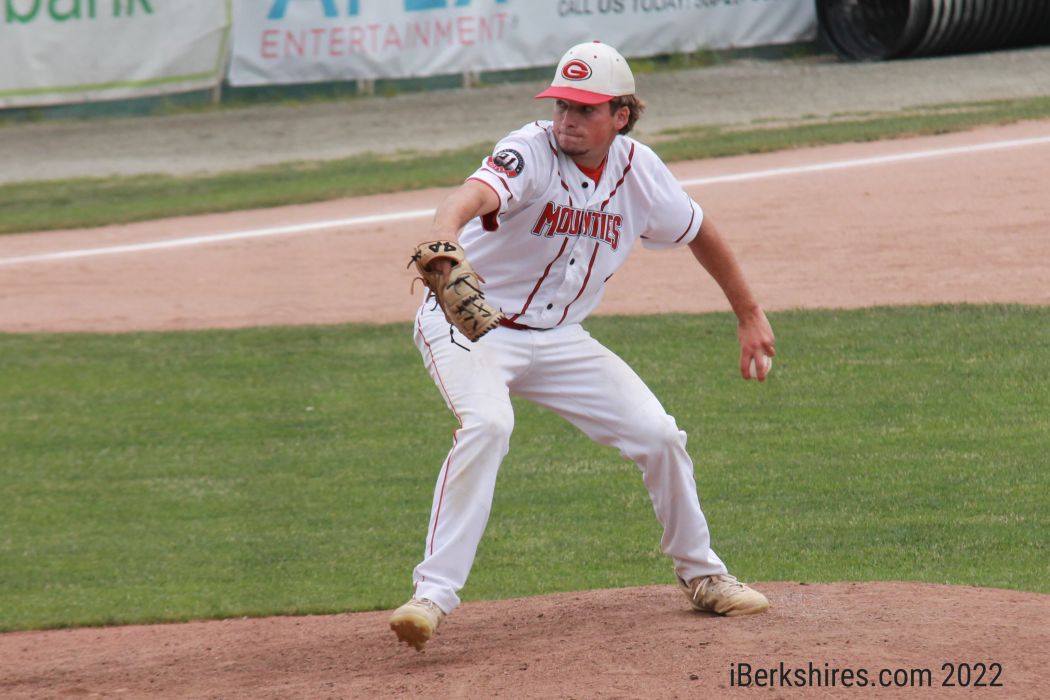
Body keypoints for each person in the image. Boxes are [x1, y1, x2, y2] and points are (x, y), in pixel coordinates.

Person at [390, 41, 776, 652]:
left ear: (620, 115)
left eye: (584, 108)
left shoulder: (640, 170)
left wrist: (748, 313)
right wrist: (444, 232)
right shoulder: (530, 149)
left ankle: (704, 575)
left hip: (561, 338)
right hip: (473, 329)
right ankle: (431, 597)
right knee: (488, 424)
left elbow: (699, 231)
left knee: (659, 435)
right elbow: (474, 193)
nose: (567, 118)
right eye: (561, 104)